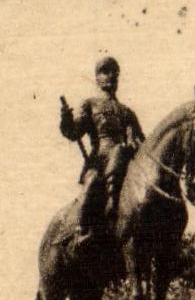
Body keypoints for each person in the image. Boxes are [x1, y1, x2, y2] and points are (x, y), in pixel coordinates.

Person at [60, 56, 145, 244]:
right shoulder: (90, 104)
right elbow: (73, 132)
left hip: (125, 159)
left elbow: (142, 142)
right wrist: (66, 120)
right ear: (97, 78)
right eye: (105, 71)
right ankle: (81, 230)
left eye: (115, 72)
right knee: (91, 184)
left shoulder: (127, 112)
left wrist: (134, 143)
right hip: (101, 158)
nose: (111, 75)